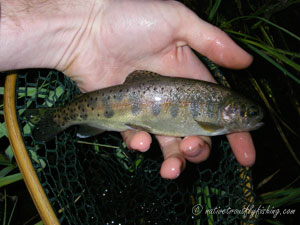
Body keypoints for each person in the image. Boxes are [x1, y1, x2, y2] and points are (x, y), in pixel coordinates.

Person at [1, 0, 255, 179]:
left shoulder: (219, 113)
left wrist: (81, 24)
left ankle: (60, 116)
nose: (253, 117)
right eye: (249, 113)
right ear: (232, 111)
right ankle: (59, 117)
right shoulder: (216, 120)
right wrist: (86, 21)